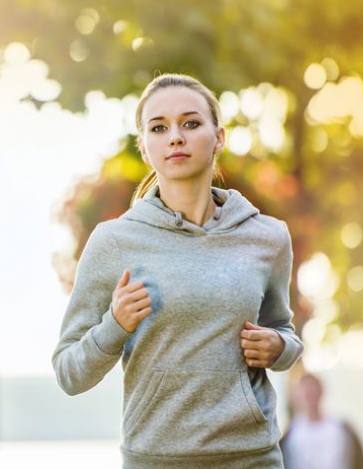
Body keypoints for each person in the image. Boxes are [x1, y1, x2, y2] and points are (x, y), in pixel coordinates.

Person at [52, 73, 304, 468]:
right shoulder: (115, 241)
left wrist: (278, 346)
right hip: (155, 461)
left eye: (190, 123)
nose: (175, 137)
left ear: (218, 137)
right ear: (145, 147)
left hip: (251, 458)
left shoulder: (268, 237)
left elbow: (285, 335)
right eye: (159, 128)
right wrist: (115, 325)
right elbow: (70, 373)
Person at [280, 373, 363, 469]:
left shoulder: (343, 429)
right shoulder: (290, 436)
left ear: (321, 391)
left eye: (313, 390)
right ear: (296, 396)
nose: (310, 395)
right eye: (306, 392)